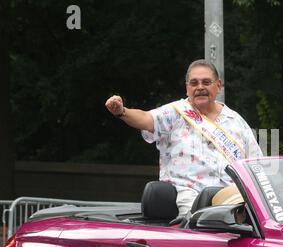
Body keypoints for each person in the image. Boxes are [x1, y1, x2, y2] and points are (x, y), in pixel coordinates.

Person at [105, 60, 263, 218]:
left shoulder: (236, 120)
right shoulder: (175, 113)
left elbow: (257, 164)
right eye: (194, 83)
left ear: (218, 85)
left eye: (206, 82)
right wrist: (122, 112)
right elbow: (146, 119)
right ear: (187, 87)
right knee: (200, 230)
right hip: (191, 196)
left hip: (232, 199)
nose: (200, 87)